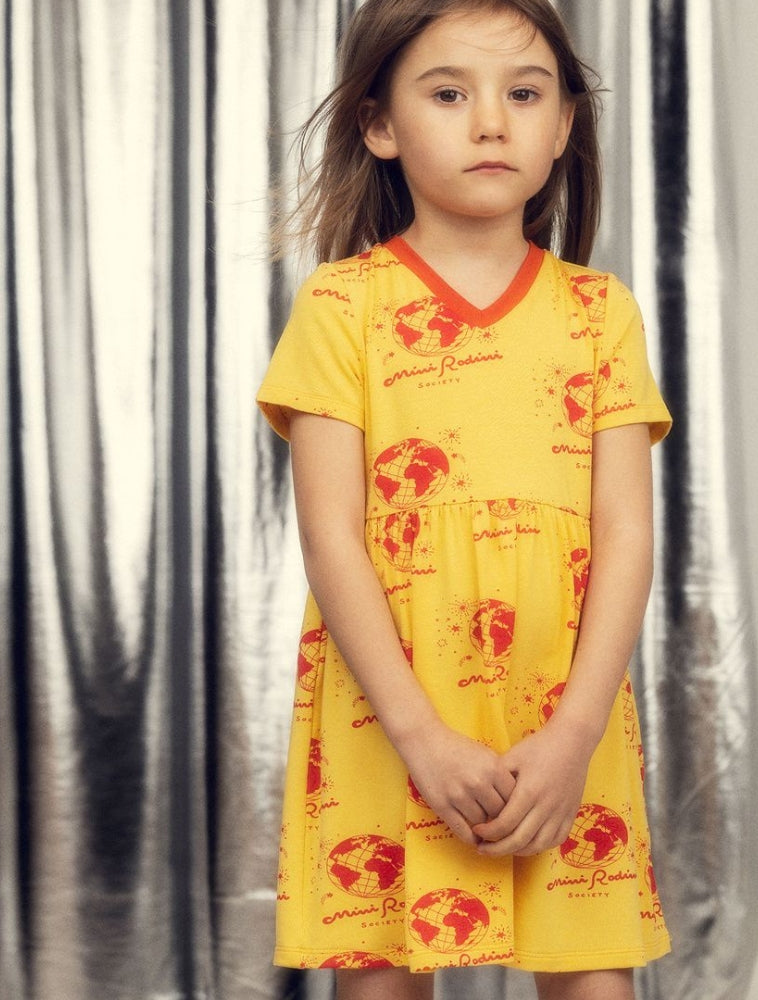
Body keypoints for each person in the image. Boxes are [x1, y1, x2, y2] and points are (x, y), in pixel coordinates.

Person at [257, 2, 672, 997]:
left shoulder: (599, 312)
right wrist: (419, 736)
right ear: (379, 125)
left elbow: (625, 533)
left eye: (523, 94)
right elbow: (331, 537)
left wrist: (575, 735)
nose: (490, 122)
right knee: (383, 973)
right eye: (449, 94)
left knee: (590, 972)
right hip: (390, 712)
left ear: (563, 125)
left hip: (564, 710)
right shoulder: (341, 306)